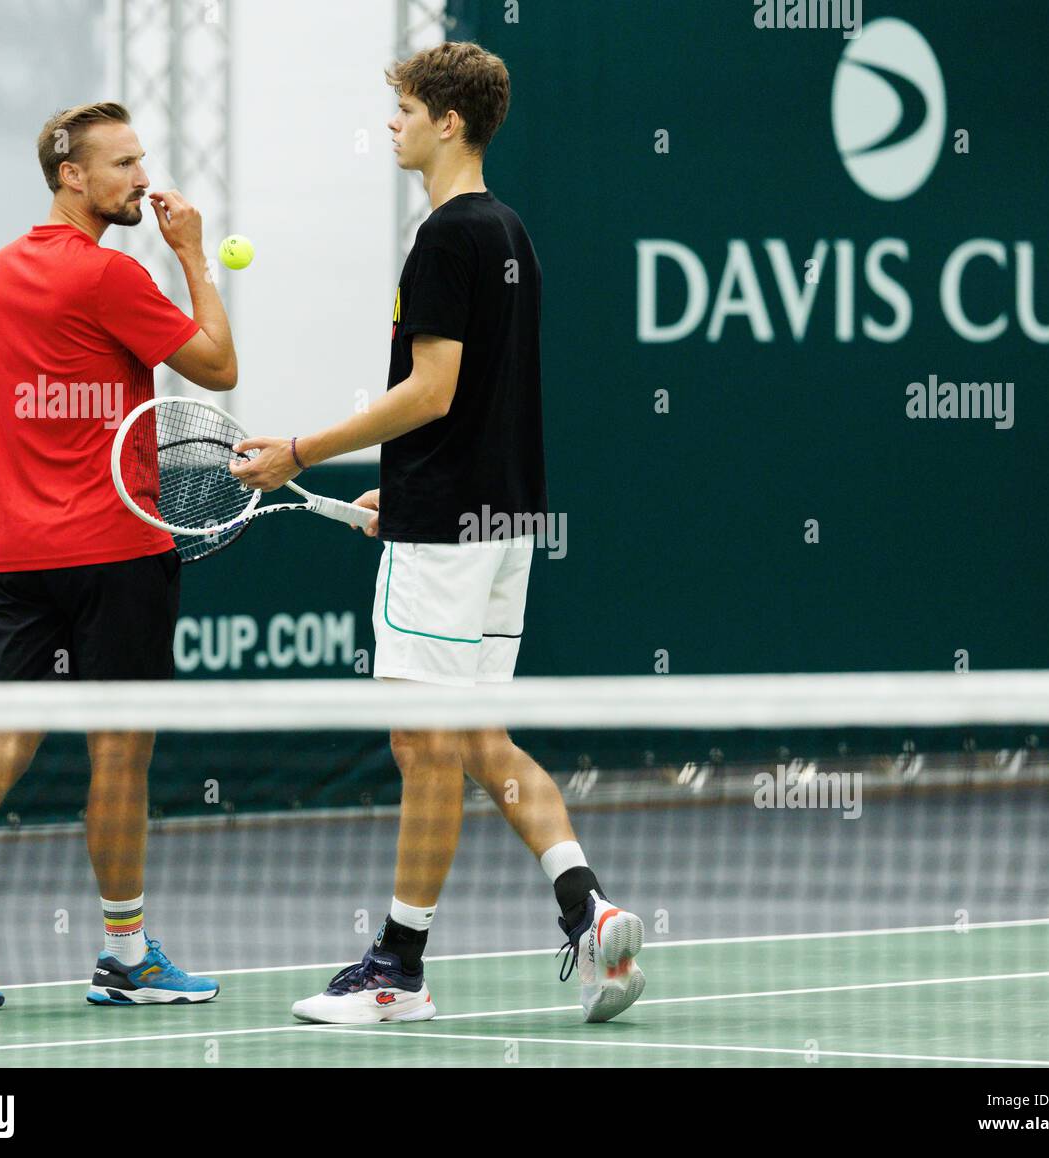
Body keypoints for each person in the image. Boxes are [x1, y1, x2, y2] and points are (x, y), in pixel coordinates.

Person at [229, 43, 646, 1024]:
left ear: (447, 123)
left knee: (423, 748)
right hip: (500, 525)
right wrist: (399, 495)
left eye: (406, 109)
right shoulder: (511, 235)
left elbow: (432, 392)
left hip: (451, 538)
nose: (392, 123)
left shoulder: (444, 240)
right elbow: (478, 407)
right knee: (474, 738)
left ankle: (396, 970)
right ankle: (589, 910)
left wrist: (297, 448)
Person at [0, 102, 235, 1009]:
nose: (143, 180)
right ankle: (125, 954)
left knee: (4, 738)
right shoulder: (111, 276)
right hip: (119, 552)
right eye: (122, 165)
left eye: (142, 160)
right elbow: (219, 366)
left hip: (23, 554)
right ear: (70, 175)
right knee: (118, 752)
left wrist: (27, 490)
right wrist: (194, 254)